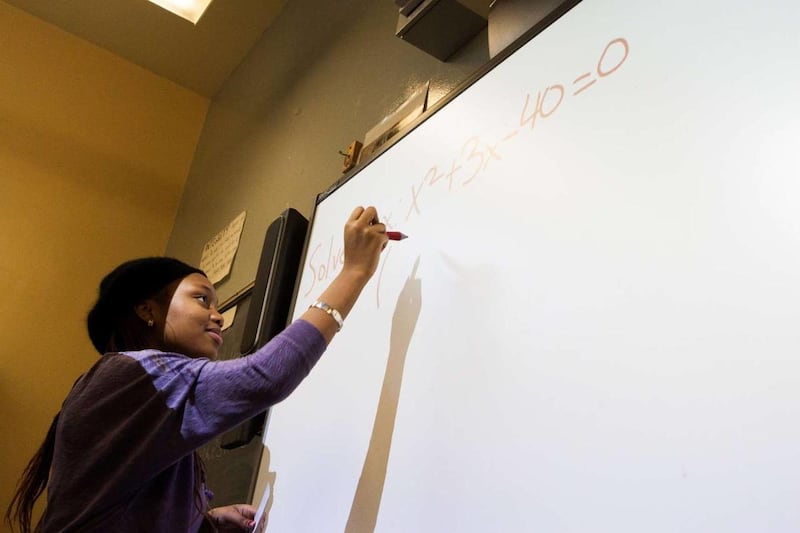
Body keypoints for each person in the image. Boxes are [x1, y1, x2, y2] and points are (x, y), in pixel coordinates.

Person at [5, 206, 389, 532]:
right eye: (202, 298)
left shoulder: (132, 392)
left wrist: (204, 522)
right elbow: (267, 376)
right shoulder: (133, 372)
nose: (218, 317)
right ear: (147, 310)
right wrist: (353, 271)